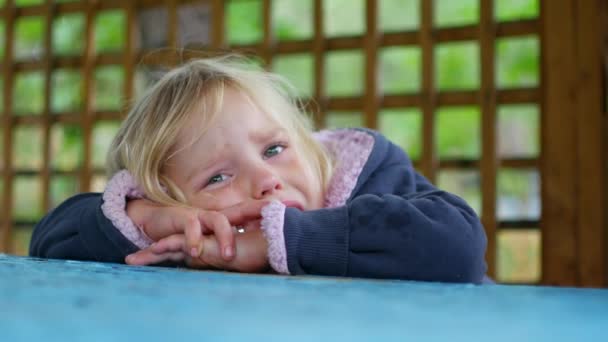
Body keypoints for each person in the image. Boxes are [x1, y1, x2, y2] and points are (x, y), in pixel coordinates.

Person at [30, 55, 489, 283]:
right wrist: (143, 220)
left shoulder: (367, 176)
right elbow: (49, 245)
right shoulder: (176, 235)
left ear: (308, 146)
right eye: (217, 177)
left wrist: (282, 241)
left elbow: (460, 246)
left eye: (273, 149)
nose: (265, 179)